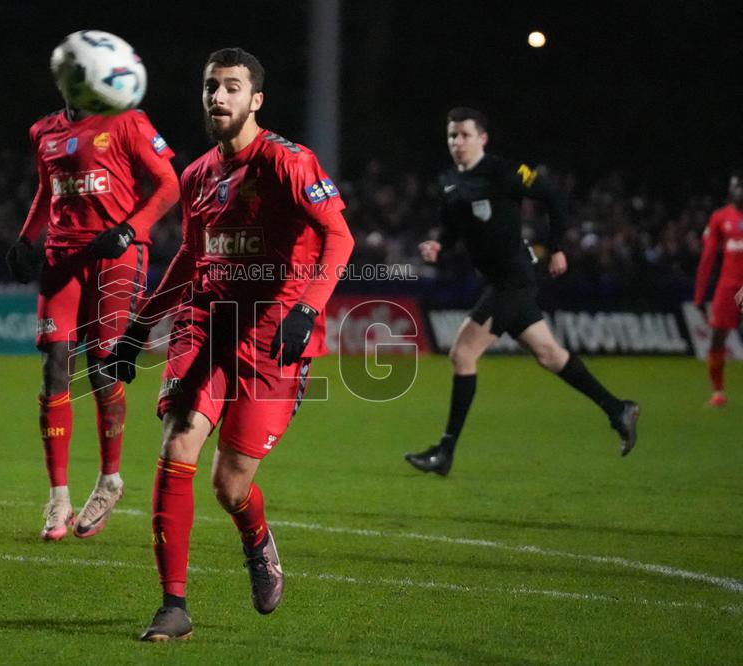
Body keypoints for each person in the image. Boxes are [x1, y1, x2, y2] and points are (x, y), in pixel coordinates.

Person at [105, 47, 353, 641]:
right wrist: (141, 326)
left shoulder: (289, 162)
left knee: (231, 482)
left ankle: (257, 540)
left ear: (255, 100)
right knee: (179, 438)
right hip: (205, 326)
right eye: (212, 86)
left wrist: (306, 309)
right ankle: (173, 605)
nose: (219, 97)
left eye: (233, 88)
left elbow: (339, 238)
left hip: (272, 336)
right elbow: (192, 257)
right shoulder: (196, 176)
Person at [6, 33, 178, 541]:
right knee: (55, 363)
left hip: (115, 254)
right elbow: (47, 189)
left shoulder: (128, 121)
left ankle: (109, 479)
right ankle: (57, 497)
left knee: (103, 368)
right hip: (62, 257)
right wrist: (25, 238)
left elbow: (169, 183)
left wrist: (130, 228)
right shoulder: (44, 131)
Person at [404, 107, 639, 476]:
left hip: (514, 279)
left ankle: (445, 452)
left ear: (483, 138)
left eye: (464, 134)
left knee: (462, 354)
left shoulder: (504, 172)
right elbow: (452, 229)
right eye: (452, 136)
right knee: (549, 355)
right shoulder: (449, 182)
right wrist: (439, 246)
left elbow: (553, 197)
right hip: (499, 281)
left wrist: (557, 246)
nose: (457, 142)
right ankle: (617, 409)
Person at [693, 171, 743, 407]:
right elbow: (708, 258)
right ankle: (718, 391)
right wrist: (700, 294)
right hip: (729, 285)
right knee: (717, 337)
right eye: (738, 187)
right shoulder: (720, 217)